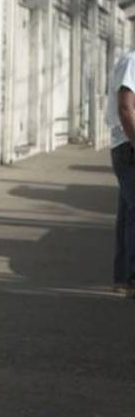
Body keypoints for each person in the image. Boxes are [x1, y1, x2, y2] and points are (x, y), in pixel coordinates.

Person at [106, 48, 135, 298]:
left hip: (125, 146)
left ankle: (123, 279)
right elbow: (126, 107)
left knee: (128, 215)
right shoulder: (134, 62)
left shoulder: (128, 60)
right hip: (129, 147)